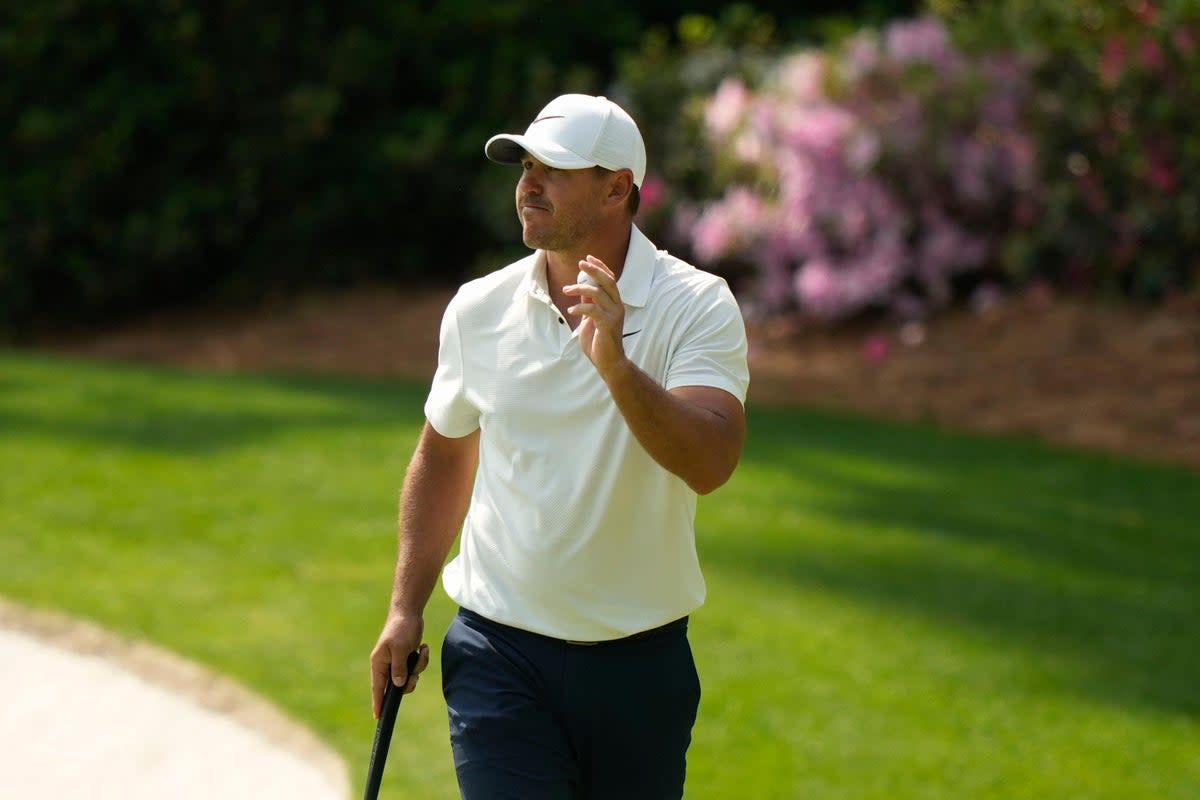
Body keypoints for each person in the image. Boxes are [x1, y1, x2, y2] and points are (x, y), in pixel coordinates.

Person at [369, 93, 750, 799]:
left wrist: (616, 366)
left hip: (642, 665)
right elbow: (445, 454)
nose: (528, 186)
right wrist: (404, 606)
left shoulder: (695, 304)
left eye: (556, 170)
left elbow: (711, 462)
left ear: (616, 188)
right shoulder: (479, 309)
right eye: (526, 167)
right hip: (499, 651)